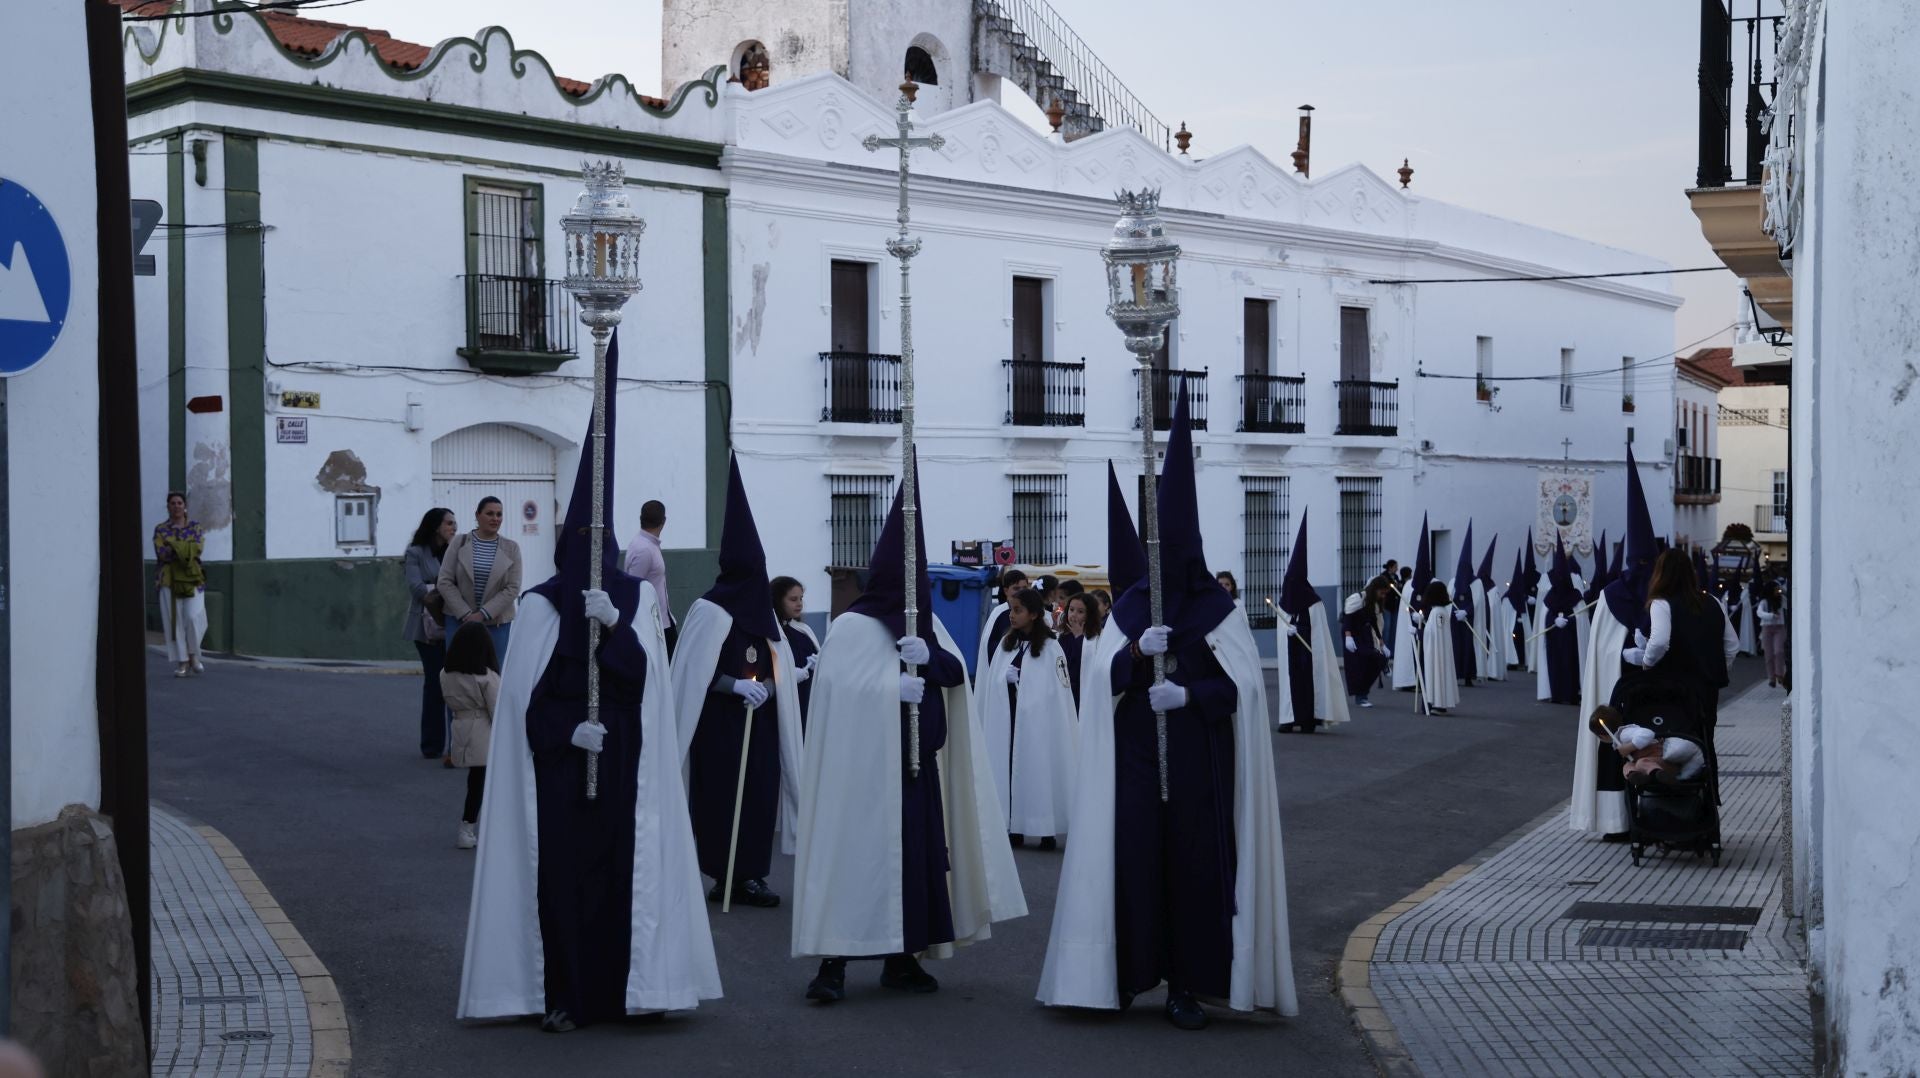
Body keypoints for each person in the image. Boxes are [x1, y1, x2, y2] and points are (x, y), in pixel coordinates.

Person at [459, 332, 719, 1031]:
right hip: (561, 772)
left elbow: (648, 689)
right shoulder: (542, 607)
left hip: (627, 763)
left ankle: (631, 988)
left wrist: (616, 631)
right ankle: (567, 993)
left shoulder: (631, 602)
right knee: (564, 884)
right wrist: (564, 729)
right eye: (577, 544)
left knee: (624, 880)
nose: (588, 558)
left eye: (594, 544)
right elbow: (522, 705)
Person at [1038, 392, 1296, 1030]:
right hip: (1131, 768)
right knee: (1132, 870)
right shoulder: (1129, 606)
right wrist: (1131, 652)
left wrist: (1191, 695)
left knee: (1193, 877)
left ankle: (1187, 983)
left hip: (1198, 772)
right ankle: (1121, 977)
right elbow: (1099, 679)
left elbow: (1246, 690)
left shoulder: (1218, 611)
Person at [793, 464, 1026, 1003]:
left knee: (917, 865)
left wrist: (932, 659)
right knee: (856, 863)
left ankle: (902, 958)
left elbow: (955, 674)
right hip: (863, 777)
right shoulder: (851, 627)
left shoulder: (926, 624)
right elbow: (836, 697)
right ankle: (834, 963)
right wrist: (887, 691)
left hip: (915, 770)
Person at [671, 457, 803, 911]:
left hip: (759, 724)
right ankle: (722, 874)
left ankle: (751, 874)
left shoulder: (765, 616)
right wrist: (732, 685)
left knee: (759, 797)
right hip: (720, 727)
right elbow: (692, 673)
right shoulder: (709, 611)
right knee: (722, 798)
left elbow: (776, 658)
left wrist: (766, 682)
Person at [978, 589, 1078, 850]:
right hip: (1009, 720)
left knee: (1039, 769)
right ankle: (1014, 824)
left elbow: (1057, 693)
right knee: (1011, 769)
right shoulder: (1005, 645)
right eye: (1011, 609)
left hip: (1039, 724)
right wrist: (1004, 681)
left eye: (1017, 610)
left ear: (1034, 614)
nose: (1011, 615)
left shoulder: (1050, 647)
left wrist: (1023, 685)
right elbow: (993, 682)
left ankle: (1045, 828)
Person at [1276, 511, 1348, 733]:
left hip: (1307, 654)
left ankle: (1308, 718)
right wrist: (1287, 632)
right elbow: (1282, 627)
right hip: (1291, 653)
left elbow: (1319, 635)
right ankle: (1289, 718)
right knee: (1290, 684)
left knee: (1308, 683)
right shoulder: (1283, 602)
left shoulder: (1314, 603)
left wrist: (1301, 631)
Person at [437, 497, 522, 661]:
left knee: (491, 676)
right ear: (477, 515)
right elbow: (444, 581)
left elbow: (513, 587)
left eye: (499, 514)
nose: (495, 518)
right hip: (458, 620)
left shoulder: (512, 548)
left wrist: (482, 614)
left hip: (496, 623)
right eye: (490, 513)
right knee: (457, 673)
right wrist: (466, 614)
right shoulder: (458, 543)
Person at [442, 621, 500, 850]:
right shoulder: (486, 677)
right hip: (483, 730)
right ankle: (470, 827)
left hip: (460, 727)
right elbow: (497, 710)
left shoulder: (445, 675)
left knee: (474, 782)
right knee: (483, 782)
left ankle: (468, 828)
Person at [405, 508, 456, 758]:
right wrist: (446, 587)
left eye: (454, 523)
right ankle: (432, 745)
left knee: (456, 685)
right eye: (448, 523)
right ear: (436, 526)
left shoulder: (456, 552)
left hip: (454, 625)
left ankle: (458, 744)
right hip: (426, 629)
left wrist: (437, 586)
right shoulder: (415, 553)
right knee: (435, 684)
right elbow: (416, 588)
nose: (453, 528)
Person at [153, 491, 207, 678]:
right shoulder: (160, 529)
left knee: (193, 617)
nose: (176, 506)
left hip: (193, 578)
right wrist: (185, 548)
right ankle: (183, 661)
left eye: (179, 503)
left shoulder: (195, 527)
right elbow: (162, 553)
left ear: (185, 506)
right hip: (168, 579)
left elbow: (198, 548)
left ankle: (194, 655)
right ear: (168, 506)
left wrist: (175, 546)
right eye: (172, 503)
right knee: (174, 622)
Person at [1537, 535, 1585, 706]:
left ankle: (1572, 694)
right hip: (1554, 641)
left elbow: (1581, 619)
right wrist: (1553, 622)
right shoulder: (1549, 598)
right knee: (1555, 666)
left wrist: (1570, 622)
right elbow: (1545, 618)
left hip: (1571, 641)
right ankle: (1556, 693)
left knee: (1570, 665)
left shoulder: (1576, 597)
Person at [771, 576, 820, 728]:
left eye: (801, 598)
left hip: (805, 701)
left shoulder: (803, 630)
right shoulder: (772, 633)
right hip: (781, 705)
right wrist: (789, 675)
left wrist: (818, 664)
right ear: (778, 600)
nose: (799, 604)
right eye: (793, 599)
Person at [624, 499, 674, 647]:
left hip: (661, 621)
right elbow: (633, 588)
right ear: (663, 521)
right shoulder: (644, 549)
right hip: (653, 626)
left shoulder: (646, 544)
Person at [1391, 516, 1432, 694]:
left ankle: (1424, 679)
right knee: (1411, 651)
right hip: (1412, 627)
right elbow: (1406, 608)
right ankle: (1409, 678)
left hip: (1428, 628)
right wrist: (1412, 619)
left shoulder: (1433, 584)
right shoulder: (1408, 586)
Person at [1413, 579, 1460, 714]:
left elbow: (1431, 634)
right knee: (1439, 675)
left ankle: (1438, 704)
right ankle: (1437, 703)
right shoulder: (1440, 611)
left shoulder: (1437, 612)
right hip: (1439, 651)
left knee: (1436, 674)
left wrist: (1417, 632)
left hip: (1436, 653)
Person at [1342, 580, 1391, 709]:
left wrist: (1381, 643)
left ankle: (1363, 694)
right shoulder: (1357, 598)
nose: (1383, 596)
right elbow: (1347, 618)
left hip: (1365, 634)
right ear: (1375, 589)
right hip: (1353, 635)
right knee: (1360, 666)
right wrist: (1348, 636)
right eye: (1382, 593)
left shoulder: (1372, 602)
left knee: (1379, 660)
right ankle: (1360, 696)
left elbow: (1373, 621)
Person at [975, 569, 1031, 676]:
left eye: (1024, 588)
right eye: (1016, 588)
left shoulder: (1030, 611)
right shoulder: (999, 613)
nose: (1021, 591)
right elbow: (991, 646)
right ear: (1006, 591)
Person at [1059, 592, 1102, 708]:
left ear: (1089, 615)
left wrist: (1078, 637)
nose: (1073, 615)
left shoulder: (1095, 639)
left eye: (1080, 612)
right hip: (1063, 693)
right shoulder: (1062, 637)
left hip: (1082, 695)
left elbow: (1084, 665)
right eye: (1071, 610)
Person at [1757, 581, 1787, 688]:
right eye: (1775, 589)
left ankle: (1780, 674)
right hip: (1767, 628)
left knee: (1779, 651)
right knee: (1768, 654)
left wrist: (1783, 591)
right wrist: (1771, 615)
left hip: (1779, 627)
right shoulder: (1764, 602)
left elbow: (1789, 604)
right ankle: (1771, 677)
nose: (1777, 591)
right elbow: (1759, 613)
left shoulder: (1782, 600)